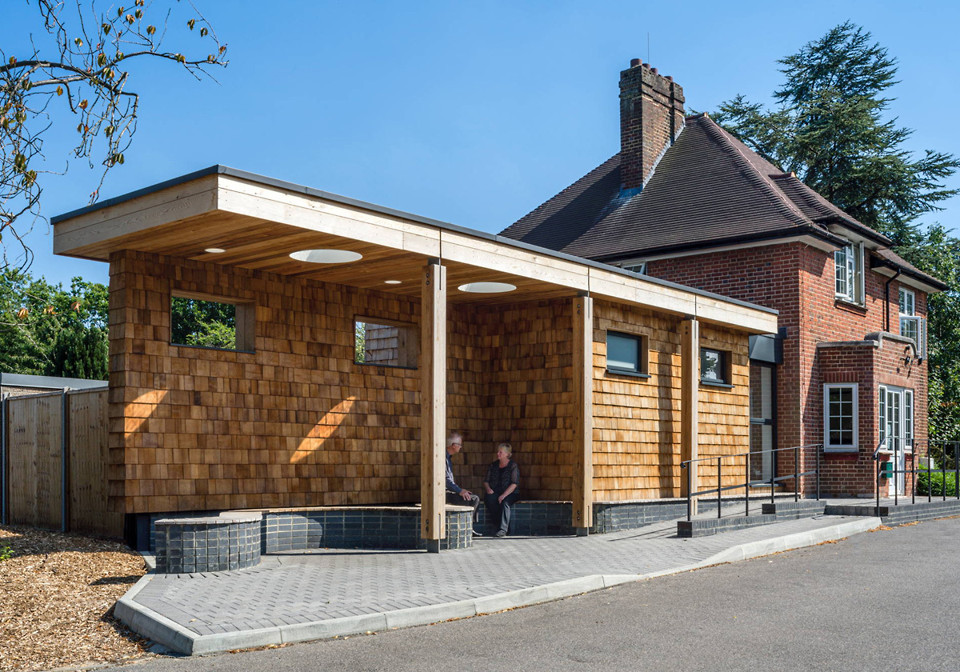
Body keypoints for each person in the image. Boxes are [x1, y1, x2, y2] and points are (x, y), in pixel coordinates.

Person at [445, 431, 482, 536]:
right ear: (453, 445)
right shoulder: (443, 458)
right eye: (460, 445)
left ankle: (468, 527)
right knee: (473, 499)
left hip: (449, 491)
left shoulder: (447, 458)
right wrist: (460, 491)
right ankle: (468, 529)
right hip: (443, 494)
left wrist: (460, 490)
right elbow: (445, 480)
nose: (461, 447)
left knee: (472, 497)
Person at [483, 442, 520, 537]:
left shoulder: (513, 465)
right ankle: (497, 524)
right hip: (495, 491)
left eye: (500, 452)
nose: (498, 454)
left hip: (511, 493)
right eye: (498, 452)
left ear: (507, 454)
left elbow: (514, 483)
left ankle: (503, 529)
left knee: (505, 502)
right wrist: (488, 489)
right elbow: (486, 481)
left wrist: (504, 495)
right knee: (490, 499)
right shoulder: (493, 465)